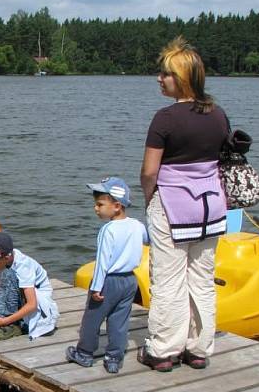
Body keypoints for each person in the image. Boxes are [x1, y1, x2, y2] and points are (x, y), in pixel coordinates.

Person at [138, 36, 230, 372]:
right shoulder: (218, 115)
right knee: (202, 279)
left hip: (173, 205)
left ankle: (163, 350)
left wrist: (150, 199)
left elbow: (149, 171)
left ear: (183, 77)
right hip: (210, 206)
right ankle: (198, 348)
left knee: (168, 278)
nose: (159, 79)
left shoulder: (165, 118)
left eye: (165, 74)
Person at [66, 178, 148, 373]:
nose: (96, 208)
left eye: (100, 204)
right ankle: (113, 358)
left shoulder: (108, 230)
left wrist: (96, 286)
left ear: (117, 206)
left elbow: (103, 261)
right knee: (119, 320)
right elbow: (148, 240)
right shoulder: (137, 225)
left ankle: (85, 353)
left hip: (108, 281)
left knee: (92, 319)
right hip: (130, 280)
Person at [0, 231, 58, 340]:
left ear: (6, 258)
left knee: (8, 274)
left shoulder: (23, 266)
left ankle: (13, 323)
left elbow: (32, 304)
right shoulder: (1, 263)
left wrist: (5, 320)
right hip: (16, 303)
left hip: (38, 305)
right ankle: (10, 321)